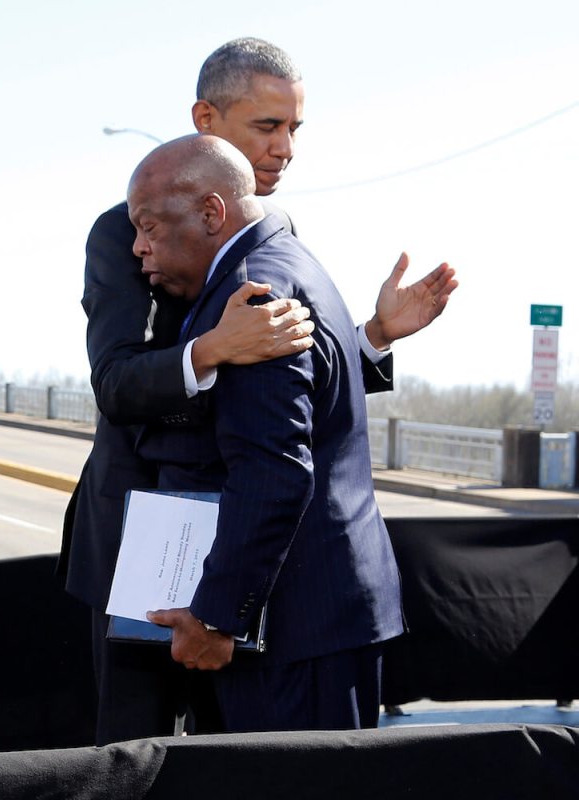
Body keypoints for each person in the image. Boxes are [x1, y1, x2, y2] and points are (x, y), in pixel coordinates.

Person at [58, 37, 457, 744]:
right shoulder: (127, 230)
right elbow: (116, 384)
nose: (286, 149)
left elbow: (284, 402)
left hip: (244, 560)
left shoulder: (272, 243)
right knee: (136, 756)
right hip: (144, 547)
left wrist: (371, 338)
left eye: (294, 129)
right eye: (266, 127)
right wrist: (212, 348)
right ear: (206, 122)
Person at [131, 133, 405, 731]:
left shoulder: (252, 297)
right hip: (324, 616)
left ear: (210, 212)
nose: (138, 248)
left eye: (148, 227)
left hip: (295, 630)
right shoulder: (289, 259)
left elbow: (273, 470)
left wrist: (218, 618)